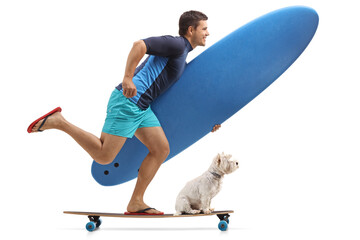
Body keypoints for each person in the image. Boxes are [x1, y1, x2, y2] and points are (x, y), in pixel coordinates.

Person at [28, 10, 221, 215]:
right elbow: (139, 45)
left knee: (161, 149)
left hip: (142, 108)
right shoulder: (176, 44)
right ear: (191, 30)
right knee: (103, 156)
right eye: (204, 28)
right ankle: (60, 122)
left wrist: (204, 121)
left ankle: (136, 202)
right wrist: (128, 78)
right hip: (128, 102)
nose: (207, 33)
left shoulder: (182, 55)